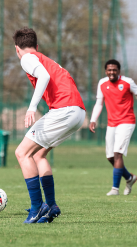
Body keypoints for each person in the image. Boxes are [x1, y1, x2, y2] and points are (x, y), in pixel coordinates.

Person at [13, 28, 86, 223]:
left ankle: (37, 207)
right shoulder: (44, 58)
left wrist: (32, 107)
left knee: (22, 153)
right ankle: (51, 205)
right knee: (38, 154)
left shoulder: (26, 58)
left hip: (64, 110)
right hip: (78, 112)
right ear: (37, 46)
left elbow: (43, 77)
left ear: (16, 49)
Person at [90, 59, 137, 196]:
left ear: (118, 71)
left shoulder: (127, 82)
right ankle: (130, 178)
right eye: (109, 70)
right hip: (111, 123)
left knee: (118, 154)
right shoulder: (102, 83)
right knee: (110, 157)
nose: (111, 72)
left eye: (114, 70)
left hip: (127, 121)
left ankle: (115, 189)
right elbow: (99, 103)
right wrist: (92, 119)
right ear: (106, 71)